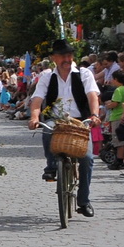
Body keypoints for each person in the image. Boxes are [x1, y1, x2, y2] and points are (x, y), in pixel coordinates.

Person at [26, 40, 100, 218]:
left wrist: (94, 115)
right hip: (56, 120)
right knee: (47, 129)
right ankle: (51, 166)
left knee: (87, 158)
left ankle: (83, 201)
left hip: (80, 121)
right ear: (54, 58)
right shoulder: (47, 76)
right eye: (62, 56)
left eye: (69, 55)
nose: (67, 59)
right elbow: (37, 100)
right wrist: (34, 117)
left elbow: (92, 95)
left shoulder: (84, 74)